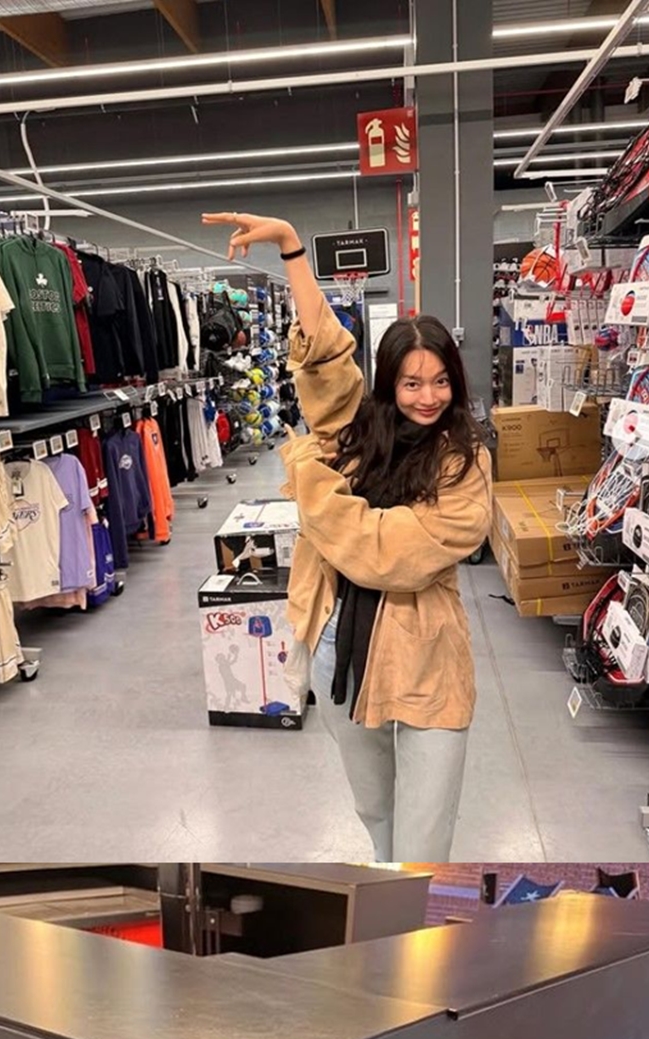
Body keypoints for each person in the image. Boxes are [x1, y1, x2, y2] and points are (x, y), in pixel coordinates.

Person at [209, 212, 492, 865]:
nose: (428, 396)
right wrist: (291, 247)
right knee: (376, 810)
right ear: (390, 383)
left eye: (441, 381)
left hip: (424, 658)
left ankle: (412, 906)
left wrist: (311, 484)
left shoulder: (465, 461)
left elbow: (386, 551)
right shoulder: (364, 432)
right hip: (338, 646)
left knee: (424, 836)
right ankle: (391, 901)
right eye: (412, 382)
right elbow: (327, 361)